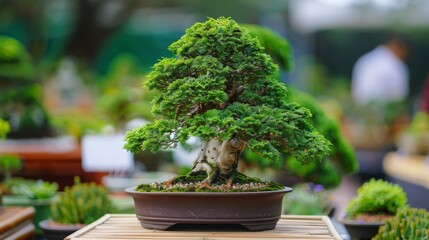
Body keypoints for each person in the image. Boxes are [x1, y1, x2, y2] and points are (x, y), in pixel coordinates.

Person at [351, 37, 409, 105]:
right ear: (399, 48)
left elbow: (355, 94)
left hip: (360, 111)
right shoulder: (396, 65)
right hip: (385, 113)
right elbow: (399, 98)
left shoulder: (364, 60)